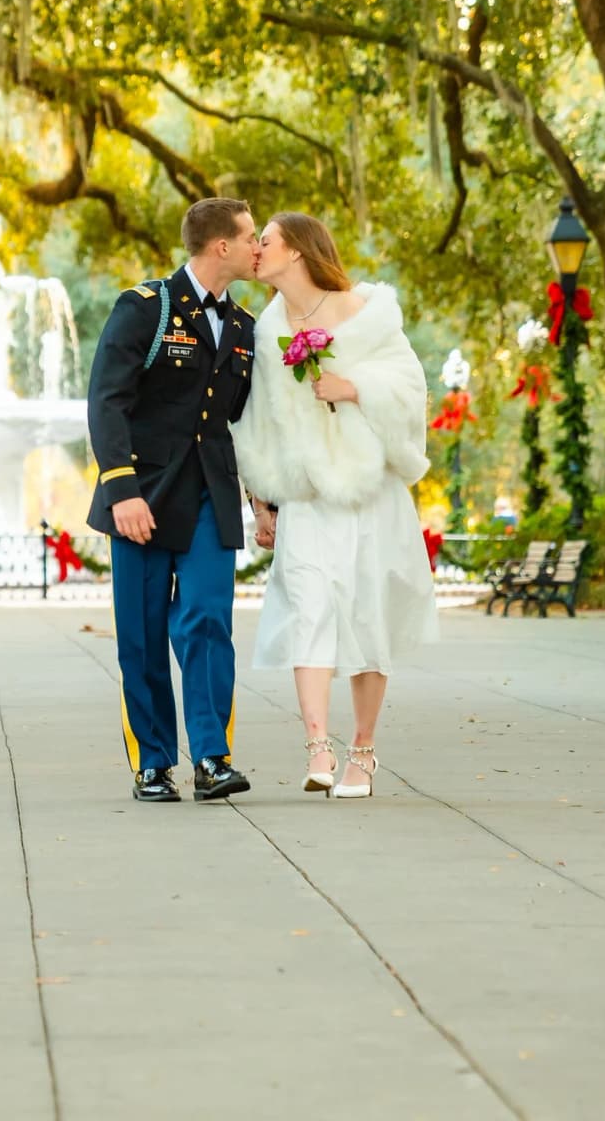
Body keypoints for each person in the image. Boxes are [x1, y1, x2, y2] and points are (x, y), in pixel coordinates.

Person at [232, 212, 437, 801]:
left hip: (370, 493)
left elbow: (409, 387)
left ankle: (363, 752)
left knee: (367, 613)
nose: (256, 250)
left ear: (295, 251)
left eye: (264, 241)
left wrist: (354, 388)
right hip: (307, 498)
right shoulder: (266, 330)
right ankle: (318, 747)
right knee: (309, 609)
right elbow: (259, 423)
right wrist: (263, 499)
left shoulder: (366, 312)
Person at [85, 197, 260, 804]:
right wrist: (121, 492)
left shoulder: (244, 329)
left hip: (211, 495)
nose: (257, 247)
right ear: (221, 247)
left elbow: (248, 424)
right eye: (251, 237)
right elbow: (105, 400)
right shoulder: (146, 308)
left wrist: (262, 501)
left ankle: (212, 757)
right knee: (141, 633)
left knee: (209, 622)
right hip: (143, 497)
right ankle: (153, 762)